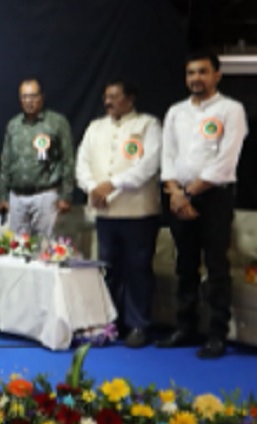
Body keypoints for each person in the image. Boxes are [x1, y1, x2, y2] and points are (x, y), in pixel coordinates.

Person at [157, 50, 249, 359]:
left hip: (214, 197)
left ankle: (217, 334)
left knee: (216, 266)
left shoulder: (231, 109)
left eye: (202, 72)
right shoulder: (176, 111)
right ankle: (185, 327)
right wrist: (175, 192)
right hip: (178, 196)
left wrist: (188, 193)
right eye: (191, 73)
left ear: (217, 75)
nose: (196, 78)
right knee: (185, 265)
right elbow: (167, 156)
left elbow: (226, 161)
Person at [75, 79, 162, 348]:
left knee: (138, 270)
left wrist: (110, 186)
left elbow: (148, 166)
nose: (108, 102)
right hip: (105, 213)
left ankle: (138, 325)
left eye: (114, 96)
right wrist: (93, 188)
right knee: (108, 270)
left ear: (130, 99)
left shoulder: (148, 125)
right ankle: (110, 324)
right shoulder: (95, 127)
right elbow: (82, 164)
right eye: (106, 97)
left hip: (138, 212)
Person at [0, 79, 74, 237]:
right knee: (18, 246)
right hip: (17, 197)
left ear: (42, 97)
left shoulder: (57, 122)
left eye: (33, 96)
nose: (29, 101)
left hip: (45, 195)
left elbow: (68, 160)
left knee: (44, 246)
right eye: (24, 97)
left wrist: (66, 195)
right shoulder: (13, 125)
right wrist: (2, 195)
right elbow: (5, 162)